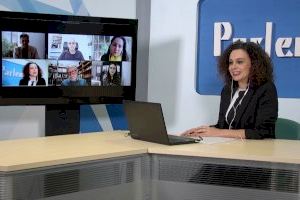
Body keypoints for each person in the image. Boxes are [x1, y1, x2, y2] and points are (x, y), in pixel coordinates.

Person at [182, 41, 278, 139]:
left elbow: (262, 132)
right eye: (231, 62)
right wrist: (200, 131)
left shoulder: (266, 89)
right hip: (230, 148)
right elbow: (222, 127)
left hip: (256, 151)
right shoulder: (227, 90)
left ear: (253, 64)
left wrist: (216, 132)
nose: (233, 67)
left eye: (239, 62)